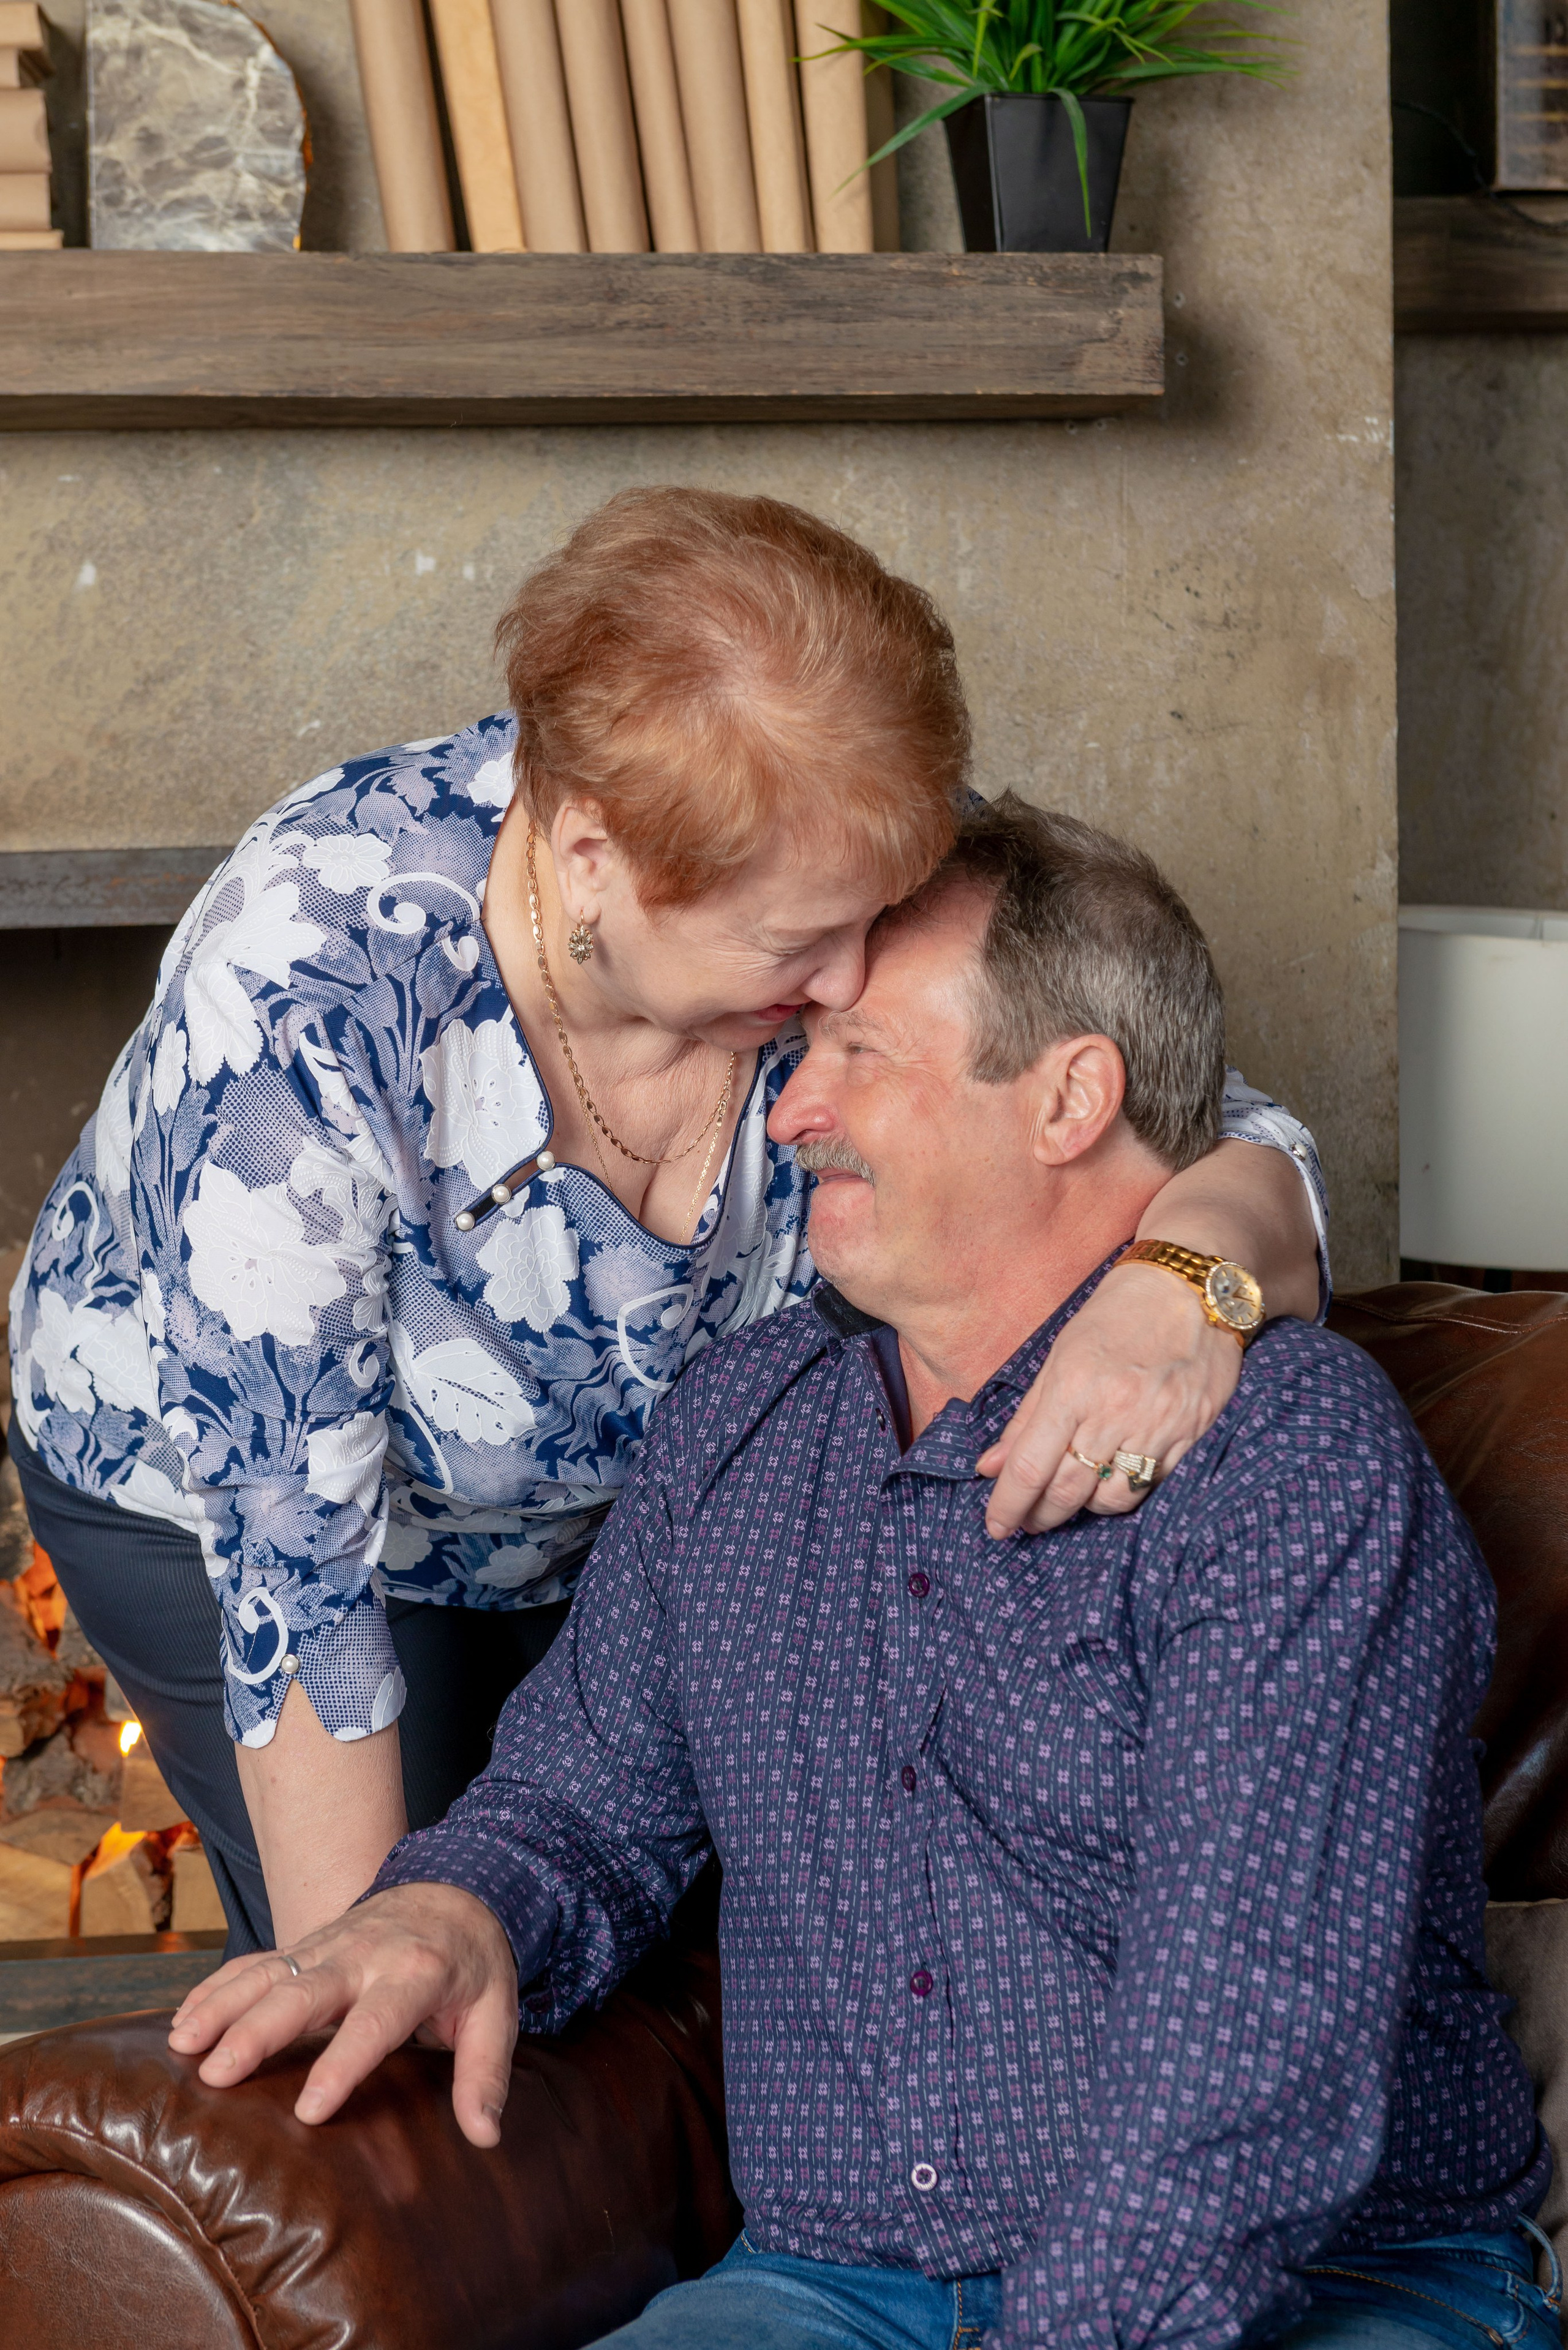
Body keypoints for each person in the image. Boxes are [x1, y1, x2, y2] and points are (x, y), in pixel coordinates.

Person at [168, 796, 1553, 2350]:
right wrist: (447, 1909)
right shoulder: (735, 1428)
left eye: (858, 1055)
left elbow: (1247, 2073)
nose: (786, 1107)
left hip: (1329, 2290)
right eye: (795, 1050)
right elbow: (576, 1802)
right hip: (830, 2289)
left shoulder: (1284, 1454)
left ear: (1067, 1096)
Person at [7, 491, 1323, 1960]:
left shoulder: (825, 838)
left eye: (872, 918)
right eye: (791, 948)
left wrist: (1178, 1280)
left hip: (627, 1516)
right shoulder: (300, 996)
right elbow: (296, 1591)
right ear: (589, 858)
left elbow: (1186, 1122)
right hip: (273, 1523)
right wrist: (376, 2007)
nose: (845, 982)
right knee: (431, 1964)